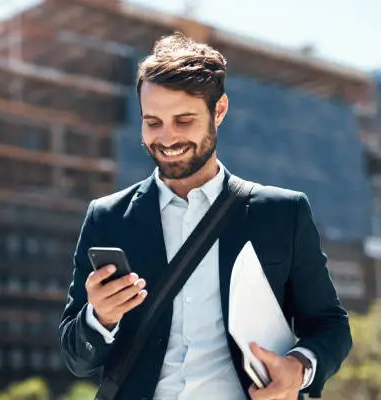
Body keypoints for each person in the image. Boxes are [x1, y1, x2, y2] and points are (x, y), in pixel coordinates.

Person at [59, 32, 352, 400]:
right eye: (153, 122)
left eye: (183, 121)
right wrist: (99, 318)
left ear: (220, 110)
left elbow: (330, 326)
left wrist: (299, 368)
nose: (167, 138)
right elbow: (76, 358)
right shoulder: (107, 217)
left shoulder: (282, 212)